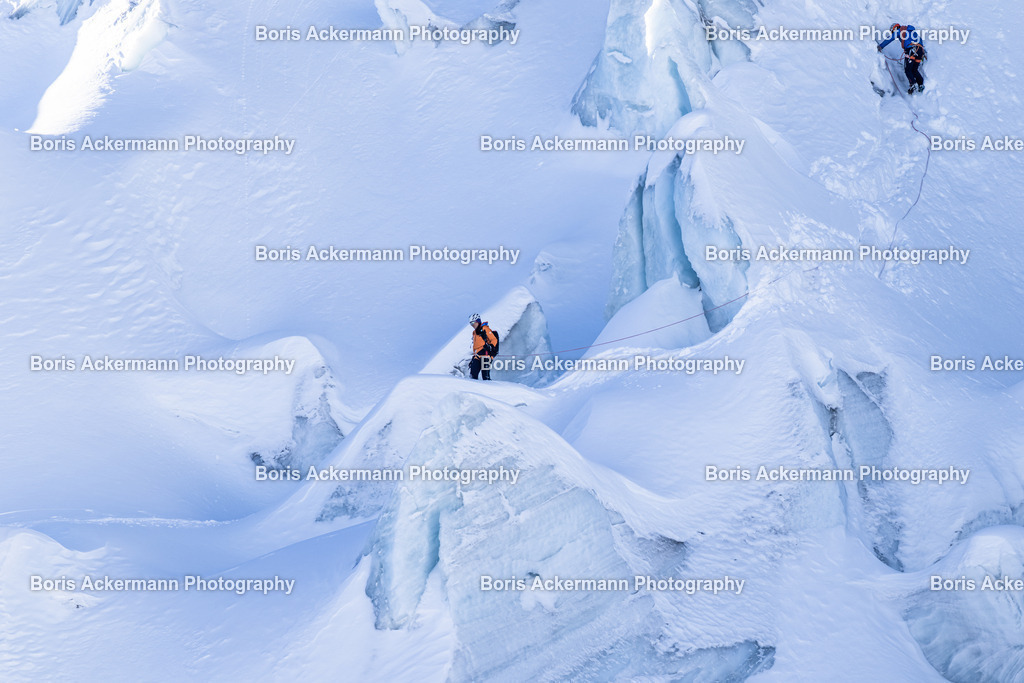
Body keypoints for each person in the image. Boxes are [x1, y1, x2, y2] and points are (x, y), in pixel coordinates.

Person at [877, 23, 927, 94]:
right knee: (914, 70)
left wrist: (880, 46)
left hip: (911, 50)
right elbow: (920, 40)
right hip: (919, 51)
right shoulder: (912, 32)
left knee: (908, 69)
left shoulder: (900, 30)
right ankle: (920, 84)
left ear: (894, 28)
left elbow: (890, 38)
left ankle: (913, 84)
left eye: (892, 31)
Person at [468, 313, 498, 380]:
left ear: (477, 321)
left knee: (485, 376)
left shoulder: (485, 329)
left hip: (485, 355)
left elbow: (494, 339)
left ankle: (489, 389)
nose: (472, 325)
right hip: (477, 355)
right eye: (470, 323)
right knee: (472, 375)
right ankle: (472, 389)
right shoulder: (475, 332)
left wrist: (490, 347)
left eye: (473, 322)